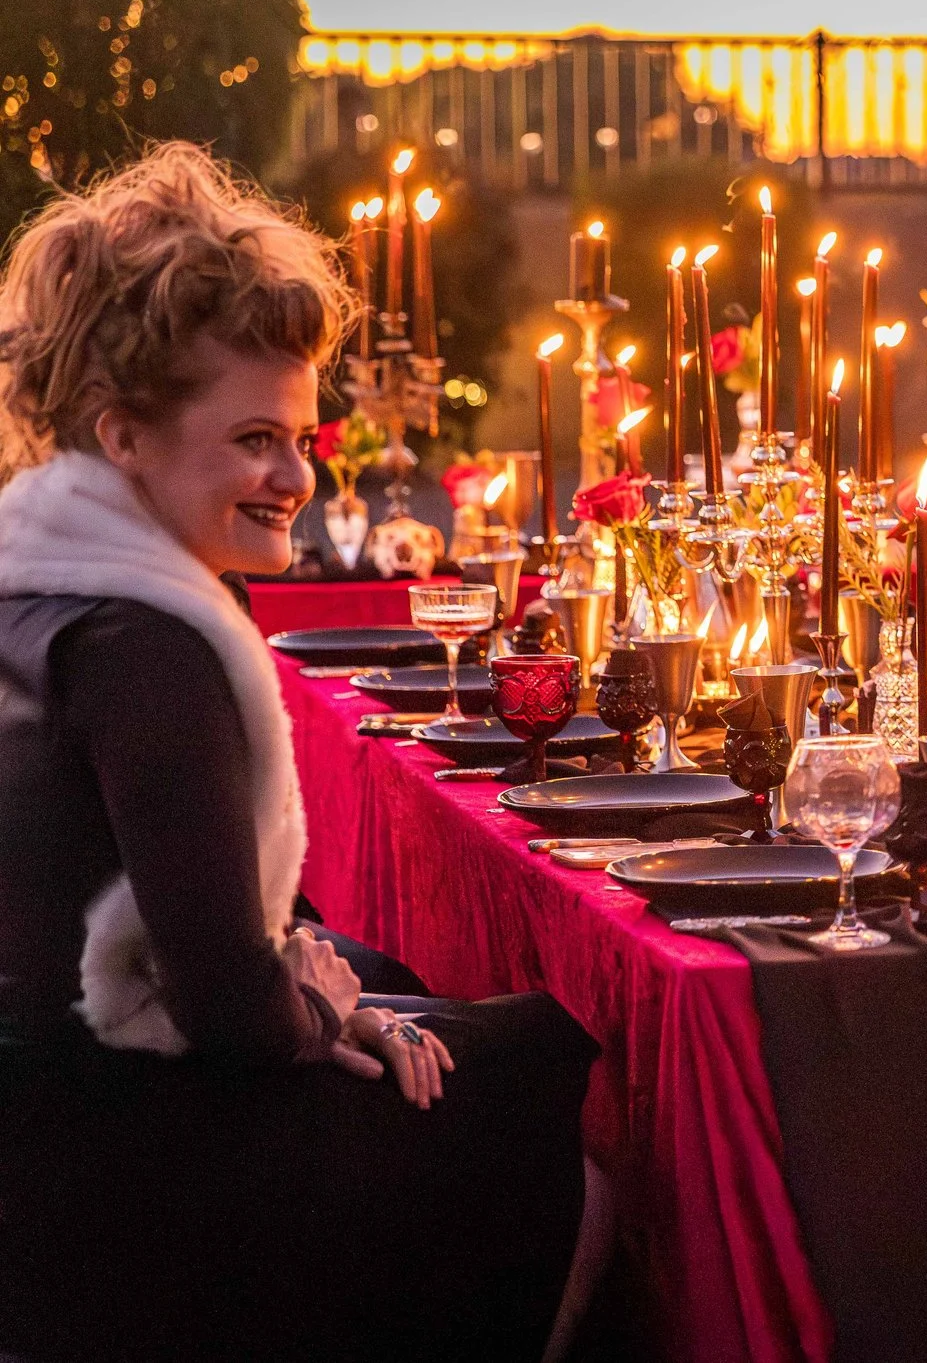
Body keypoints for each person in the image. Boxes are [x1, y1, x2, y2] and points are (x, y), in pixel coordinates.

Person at [0, 144, 603, 1361]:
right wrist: (326, 1012)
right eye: (256, 440)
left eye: (302, 435)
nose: (297, 475)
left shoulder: (36, 585)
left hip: (40, 1123)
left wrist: (330, 992)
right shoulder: (146, 644)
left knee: (406, 996)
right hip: (93, 1179)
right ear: (122, 434)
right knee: (552, 1079)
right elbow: (228, 1008)